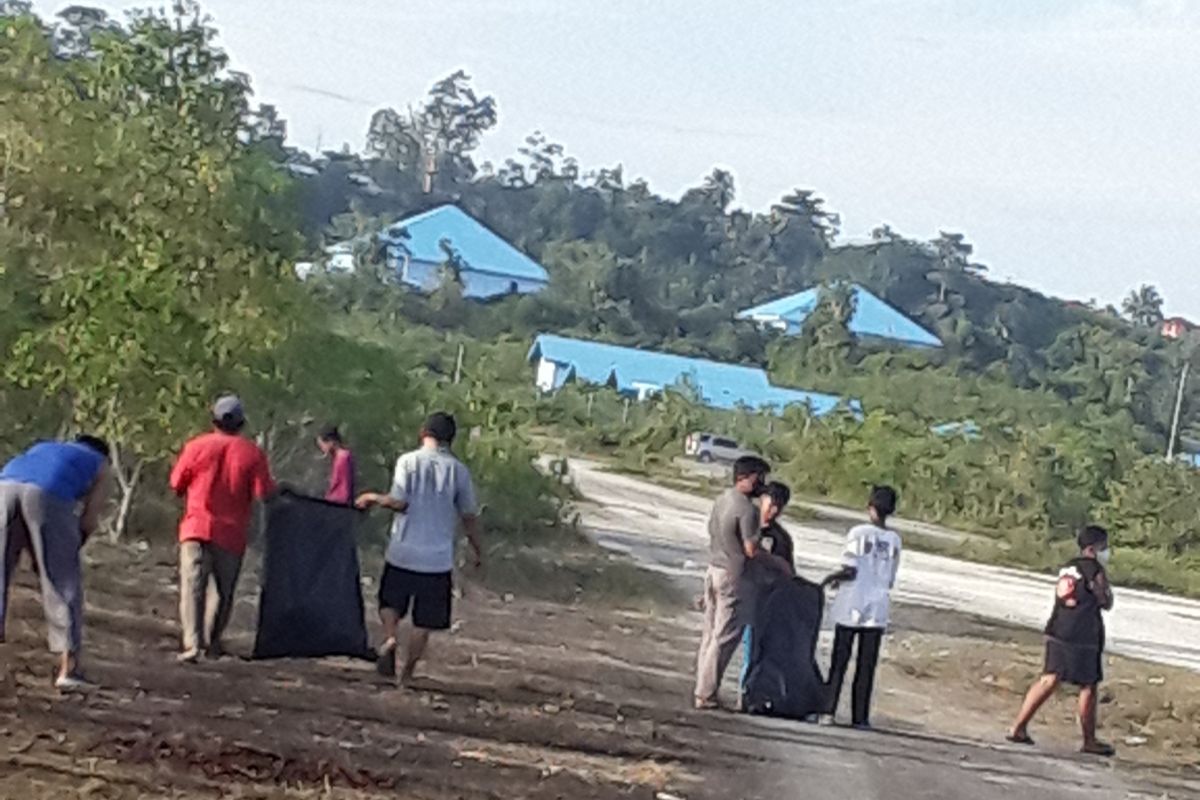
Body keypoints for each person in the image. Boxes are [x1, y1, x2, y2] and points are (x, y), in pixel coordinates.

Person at [356, 412, 482, 686]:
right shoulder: (458, 471)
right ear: (451, 438)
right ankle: (407, 675)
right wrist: (477, 548)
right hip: (436, 560)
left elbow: (399, 502)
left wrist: (371, 497)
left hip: (403, 550)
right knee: (425, 621)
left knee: (390, 604)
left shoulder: (408, 461)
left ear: (423, 431)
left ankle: (390, 638)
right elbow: (469, 515)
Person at [170, 395, 276, 663]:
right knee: (222, 592)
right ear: (241, 423)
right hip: (231, 534)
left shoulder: (196, 446)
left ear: (213, 420)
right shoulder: (252, 452)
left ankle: (192, 644)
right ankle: (211, 642)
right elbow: (265, 493)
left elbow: (176, 484)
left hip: (195, 527)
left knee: (193, 587)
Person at [0, 435, 111, 691]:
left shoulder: (42, 447)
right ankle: (69, 670)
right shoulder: (101, 465)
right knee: (63, 583)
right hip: (48, 493)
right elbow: (89, 520)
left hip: (4, 486)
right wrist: (69, 549)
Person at [1007, 525, 1116, 757]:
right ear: (1093, 548)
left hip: (1058, 628)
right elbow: (1104, 600)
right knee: (1088, 685)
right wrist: (1106, 594)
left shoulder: (1069, 566)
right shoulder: (1094, 570)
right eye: (1104, 546)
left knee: (1049, 679)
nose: (1107, 551)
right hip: (1083, 635)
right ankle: (1089, 740)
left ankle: (1018, 726)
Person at [694, 455, 787, 711]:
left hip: (713, 569)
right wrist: (778, 564)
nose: (762, 483)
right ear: (744, 477)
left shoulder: (722, 499)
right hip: (733, 578)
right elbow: (751, 549)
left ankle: (703, 688)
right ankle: (706, 693)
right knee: (724, 638)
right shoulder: (747, 509)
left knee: (710, 635)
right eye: (759, 477)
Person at [825, 485, 902, 729]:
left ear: (870, 507)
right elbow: (890, 577)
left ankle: (828, 711)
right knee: (866, 665)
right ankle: (860, 717)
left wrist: (830, 579)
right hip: (877, 607)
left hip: (852, 603)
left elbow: (850, 569)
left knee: (839, 661)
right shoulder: (894, 540)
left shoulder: (857, 533)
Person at [739, 481, 797, 693]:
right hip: (739, 592)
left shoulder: (781, 538)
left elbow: (789, 573)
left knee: (755, 651)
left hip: (765, 599)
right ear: (762, 500)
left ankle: (747, 693)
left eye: (779, 507)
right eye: (771, 504)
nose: (774, 511)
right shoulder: (747, 525)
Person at [317, 424, 355, 505]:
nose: (322, 449)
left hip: (339, 503)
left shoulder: (342, 457)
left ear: (330, 442)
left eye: (322, 445)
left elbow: (343, 485)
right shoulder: (338, 457)